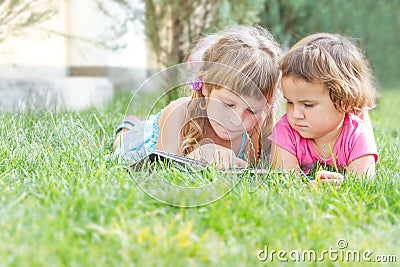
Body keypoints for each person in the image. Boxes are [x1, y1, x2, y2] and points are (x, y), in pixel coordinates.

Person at [113, 25, 282, 168]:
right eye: (228, 104)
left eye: (251, 111)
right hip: (144, 140)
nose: (237, 119)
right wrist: (198, 157)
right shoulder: (178, 114)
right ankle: (128, 126)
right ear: (206, 87)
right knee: (122, 143)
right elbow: (161, 168)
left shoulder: (258, 129)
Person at [268, 33, 378, 181]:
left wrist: (342, 184)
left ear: (343, 101)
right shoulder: (286, 131)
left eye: (308, 105)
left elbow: (364, 182)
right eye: (290, 102)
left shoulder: (357, 135)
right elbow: (284, 181)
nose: (295, 114)